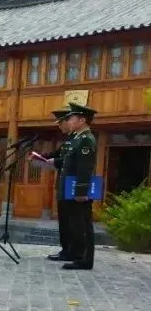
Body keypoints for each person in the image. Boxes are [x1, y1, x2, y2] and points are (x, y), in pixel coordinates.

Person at [59, 103, 98, 271]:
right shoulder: (77, 139)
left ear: (82, 120)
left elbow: (85, 168)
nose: (69, 121)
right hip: (72, 188)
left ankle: (85, 260)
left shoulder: (86, 139)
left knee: (83, 225)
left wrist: (81, 191)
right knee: (76, 224)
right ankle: (78, 255)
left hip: (79, 190)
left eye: (72, 118)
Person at [42, 109, 74, 262]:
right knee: (63, 220)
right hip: (62, 184)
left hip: (71, 186)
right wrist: (40, 157)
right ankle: (65, 249)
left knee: (69, 220)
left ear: (69, 122)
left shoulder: (77, 140)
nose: (59, 126)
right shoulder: (68, 140)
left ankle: (71, 251)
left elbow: (69, 161)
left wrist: (54, 161)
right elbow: (57, 154)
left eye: (61, 123)